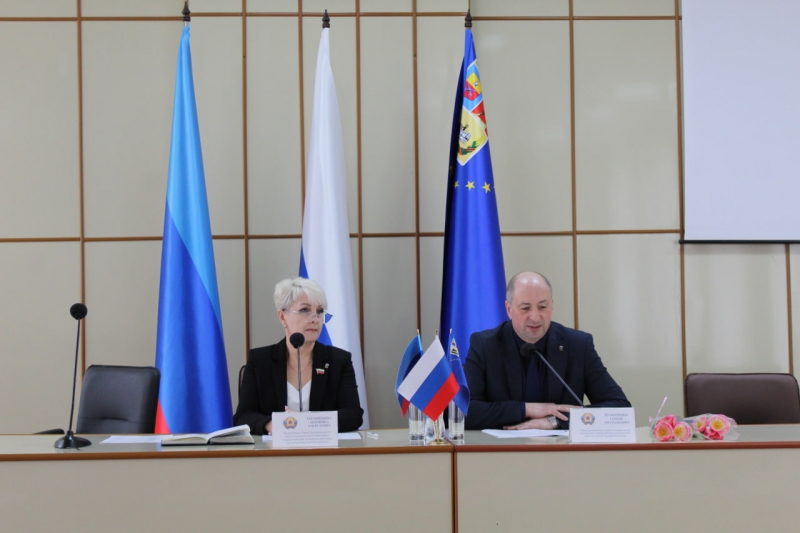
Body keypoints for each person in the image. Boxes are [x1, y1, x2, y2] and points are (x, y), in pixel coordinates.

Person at [464, 271, 630, 430]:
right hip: (501, 448)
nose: (535, 317)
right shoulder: (485, 345)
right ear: (509, 309)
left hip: (561, 448)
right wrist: (527, 409)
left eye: (542, 307)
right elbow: (464, 411)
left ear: (552, 305)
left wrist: (555, 420)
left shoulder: (578, 345)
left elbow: (620, 409)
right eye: (525, 308)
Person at [234, 277, 363, 434]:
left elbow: (353, 414)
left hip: (324, 448)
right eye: (304, 310)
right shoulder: (260, 360)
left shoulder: (338, 361)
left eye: (319, 311)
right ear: (283, 317)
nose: (315, 319)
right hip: (273, 448)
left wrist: (307, 422)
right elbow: (243, 416)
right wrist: (273, 424)